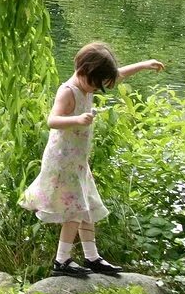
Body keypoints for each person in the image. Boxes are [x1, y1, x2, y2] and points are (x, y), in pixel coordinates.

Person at [19, 42, 164, 278]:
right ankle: (61, 260)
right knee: (76, 211)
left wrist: (144, 65)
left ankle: (92, 256)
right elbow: (52, 120)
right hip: (62, 161)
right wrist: (76, 120)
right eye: (95, 84)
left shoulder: (88, 85)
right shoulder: (68, 91)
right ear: (84, 71)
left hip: (78, 162)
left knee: (87, 207)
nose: (97, 90)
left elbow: (117, 76)